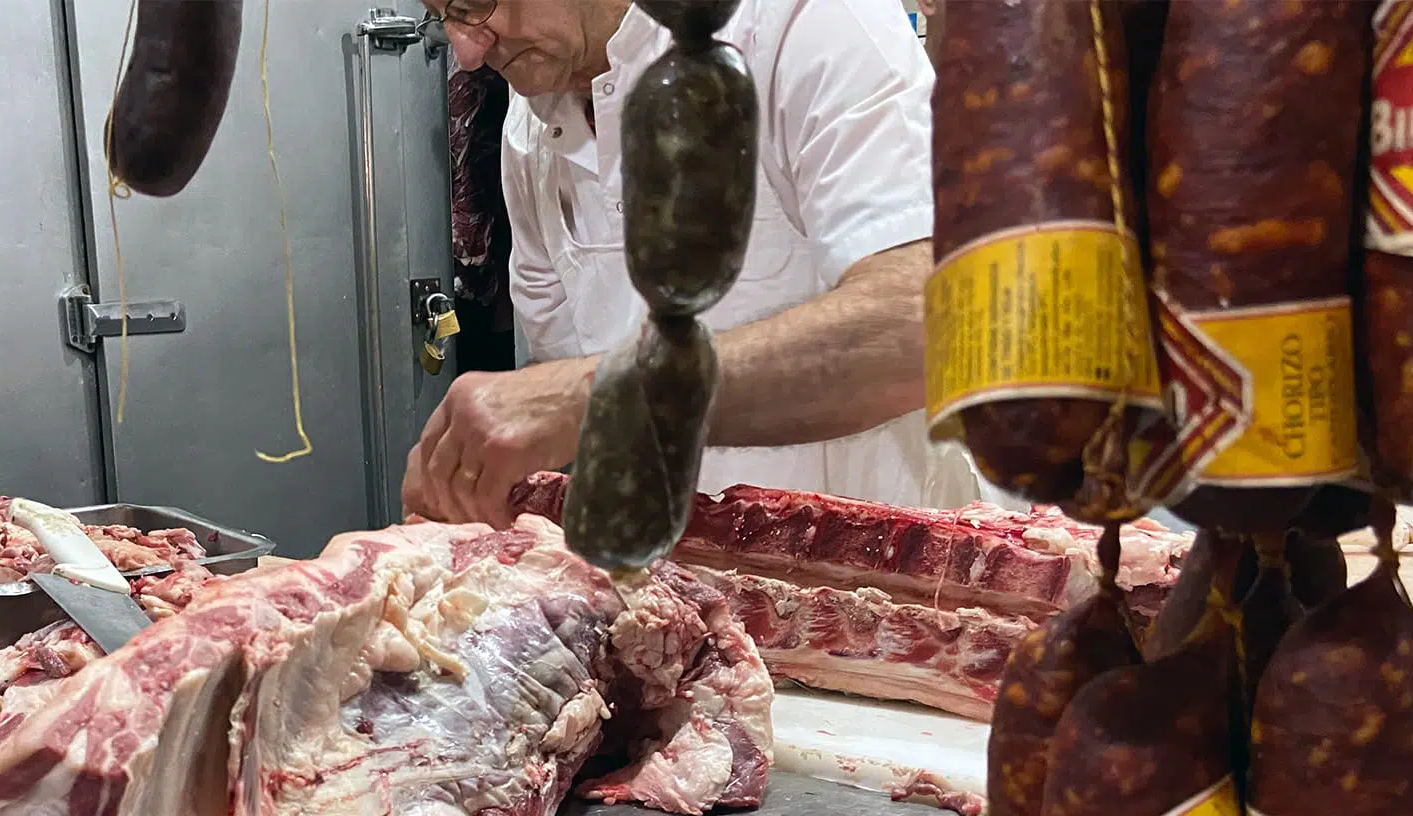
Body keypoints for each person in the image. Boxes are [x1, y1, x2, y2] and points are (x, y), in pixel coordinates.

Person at [403, 0, 981, 529]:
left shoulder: (800, 21)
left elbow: (928, 325)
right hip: (681, 597)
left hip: (871, 589)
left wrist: (592, 397)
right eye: (442, 17)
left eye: (474, 3)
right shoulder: (530, 127)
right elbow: (567, 394)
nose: (468, 51)